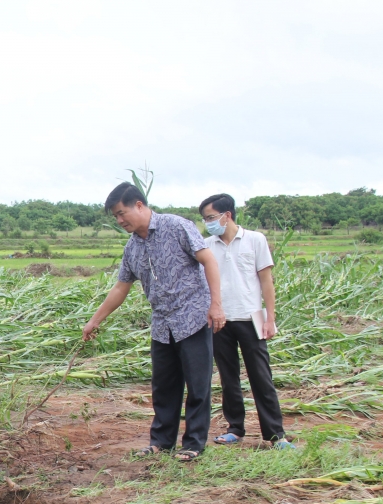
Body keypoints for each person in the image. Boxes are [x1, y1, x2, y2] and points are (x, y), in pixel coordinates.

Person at [82, 182, 226, 461]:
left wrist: (216, 305)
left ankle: (194, 443)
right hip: (162, 325)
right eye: (115, 217)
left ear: (139, 205)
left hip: (194, 317)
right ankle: (161, 441)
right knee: (164, 387)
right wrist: (94, 321)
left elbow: (209, 261)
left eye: (122, 213)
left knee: (198, 386)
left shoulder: (176, 226)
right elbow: (120, 287)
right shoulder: (132, 248)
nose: (120, 220)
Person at [199, 194, 293, 449]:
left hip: (252, 317)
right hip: (220, 319)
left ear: (226, 215)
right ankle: (235, 428)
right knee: (229, 378)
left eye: (210, 217)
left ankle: (275, 435)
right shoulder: (206, 245)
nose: (208, 223)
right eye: (205, 219)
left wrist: (270, 317)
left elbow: (266, 281)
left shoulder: (255, 240)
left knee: (261, 377)